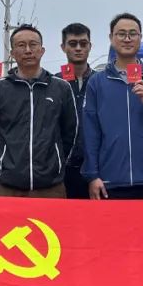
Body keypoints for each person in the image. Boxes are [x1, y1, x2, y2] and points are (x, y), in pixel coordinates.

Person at [82, 13, 143, 199]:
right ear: (111, 38)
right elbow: (90, 132)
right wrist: (92, 175)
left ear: (140, 38)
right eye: (121, 34)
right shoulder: (97, 82)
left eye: (132, 34)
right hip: (110, 182)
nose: (127, 39)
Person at [0, 24, 79, 198]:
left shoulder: (61, 88)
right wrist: (2, 167)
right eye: (21, 45)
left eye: (33, 44)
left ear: (42, 50)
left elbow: (70, 132)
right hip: (8, 186)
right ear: (12, 53)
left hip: (51, 186)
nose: (28, 50)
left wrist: (57, 165)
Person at [59, 23, 94, 199]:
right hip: (61, 168)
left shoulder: (100, 81)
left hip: (95, 167)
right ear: (63, 47)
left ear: (90, 46)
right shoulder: (53, 83)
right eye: (73, 44)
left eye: (83, 43)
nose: (78, 48)